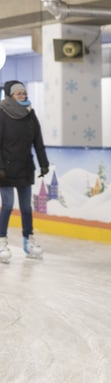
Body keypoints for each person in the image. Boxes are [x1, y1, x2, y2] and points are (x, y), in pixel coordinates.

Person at [0, 81, 49, 263]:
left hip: (25, 167)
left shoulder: (30, 113)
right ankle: (1, 241)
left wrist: (43, 163)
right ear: (10, 96)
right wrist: (0, 167)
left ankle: (28, 242)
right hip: (5, 169)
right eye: (18, 93)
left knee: (26, 207)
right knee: (7, 205)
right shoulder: (2, 113)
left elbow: (38, 140)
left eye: (24, 93)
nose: (23, 96)